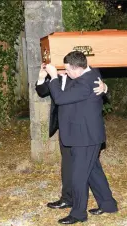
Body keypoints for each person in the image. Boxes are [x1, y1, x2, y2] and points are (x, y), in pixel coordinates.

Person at [44, 51, 118, 224]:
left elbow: (60, 98)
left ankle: (78, 214)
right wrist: (105, 87)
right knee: (93, 172)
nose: (67, 73)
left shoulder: (86, 82)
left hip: (85, 137)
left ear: (78, 69)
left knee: (78, 177)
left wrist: (54, 77)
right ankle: (108, 205)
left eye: (68, 70)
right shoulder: (90, 73)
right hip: (83, 135)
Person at [36, 65, 108, 210]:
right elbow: (43, 92)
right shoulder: (56, 75)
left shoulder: (79, 75)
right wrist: (42, 78)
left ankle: (78, 209)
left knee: (80, 172)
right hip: (66, 129)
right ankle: (70, 198)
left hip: (81, 131)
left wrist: (105, 87)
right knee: (72, 165)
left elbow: (94, 84)